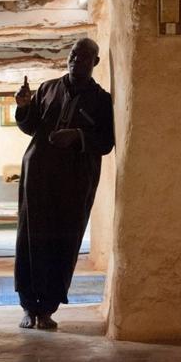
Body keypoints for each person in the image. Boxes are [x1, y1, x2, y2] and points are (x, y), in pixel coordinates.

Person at [12, 37, 115, 330]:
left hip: (74, 183)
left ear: (94, 63)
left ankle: (48, 309)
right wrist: (23, 106)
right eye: (72, 55)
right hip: (38, 176)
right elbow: (31, 126)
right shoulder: (48, 88)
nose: (75, 61)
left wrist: (77, 137)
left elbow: (106, 142)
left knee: (63, 240)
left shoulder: (101, 100)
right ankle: (28, 307)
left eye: (83, 58)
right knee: (30, 239)